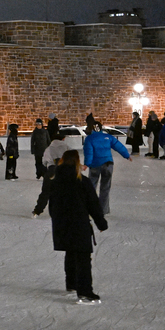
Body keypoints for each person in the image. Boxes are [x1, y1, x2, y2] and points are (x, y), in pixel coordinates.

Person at [49, 149, 108, 305]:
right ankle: (85, 292)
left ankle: (72, 284)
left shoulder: (55, 180)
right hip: (78, 223)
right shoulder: (82, 181)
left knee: (70, 252)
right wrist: (101, 223)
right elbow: (93, 205)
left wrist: (57, 220)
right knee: (82, 256)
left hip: (62, 224)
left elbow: (52, 206)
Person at [82, 121, 131, 215]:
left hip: (95, 165)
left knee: (91, 187)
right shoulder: (108, 137)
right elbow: (118, 146)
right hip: (108, 165)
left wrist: (86, 164)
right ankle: (103, 210)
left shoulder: (89, 138)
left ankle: (90, 208)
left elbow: (89, 152)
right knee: (105, 187)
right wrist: (126, 155)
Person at [33, 132, 69, 217]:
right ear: (63, 139)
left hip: (51, 170)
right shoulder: (66, 147)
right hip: (64, 171)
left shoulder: (48, 149)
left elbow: (44, 162)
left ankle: (37, 211)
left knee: (46, 192)